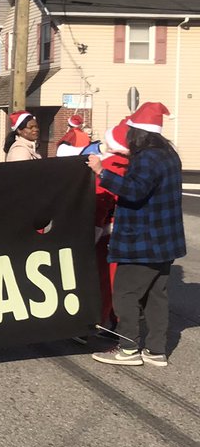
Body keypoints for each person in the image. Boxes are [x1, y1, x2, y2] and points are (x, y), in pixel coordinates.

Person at [87, 102, 184, 366]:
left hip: (143, 241)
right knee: (156, 296)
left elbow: (134, 190)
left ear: (138, 133)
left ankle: (128, 348)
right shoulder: (168, 155)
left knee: (125, 294)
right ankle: (155, 350)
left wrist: (101, 172)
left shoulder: (146, 158)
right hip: (165, 241)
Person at [91, 119, 131, 332]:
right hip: (127, 229)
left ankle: (99, 321)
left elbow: (101, 198)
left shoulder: (109, 165)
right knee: (122, 282)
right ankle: (118, 321)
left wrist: (95, 231)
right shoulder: (135, 163)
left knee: (105, 279)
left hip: (108, 231)